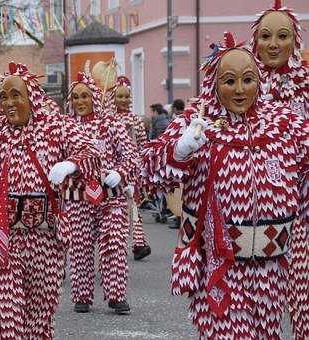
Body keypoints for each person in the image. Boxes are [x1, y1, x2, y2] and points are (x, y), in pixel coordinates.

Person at [141, 32, 309, 339]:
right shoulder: (197, 122)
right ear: (214, 84)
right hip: (220, 267)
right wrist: (180, 149)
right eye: (229, 81)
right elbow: (148, 172)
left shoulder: (286, 124)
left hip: (271, 269)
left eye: (248, 79)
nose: (240, 90)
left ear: (259, 81)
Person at [0, 62, 100, 339]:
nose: (8, 103)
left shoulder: (58, 127)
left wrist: (72, 164)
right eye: (4, 96)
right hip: (2, 238)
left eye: (15, 95)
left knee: (39, 320)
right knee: (5, 316)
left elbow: (91, 152)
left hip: (45, 240)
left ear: (31, 96)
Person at [251, 1, 309, 338]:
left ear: (295, 40)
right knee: (262, 296)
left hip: (301, 207)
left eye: (282, 36)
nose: (274, 44)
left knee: (303, 293)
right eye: (266, 36)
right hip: (257, 207)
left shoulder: (306, 83)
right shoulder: (244, 82)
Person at [64, 72, 136, 313]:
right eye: (76, 97)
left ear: (94, 97)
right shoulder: (66, 128)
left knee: (114, 242)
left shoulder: (111, 124)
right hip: (78, 196)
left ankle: (117, 295)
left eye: (85, 96)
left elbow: (131, 156)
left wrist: (121, 173)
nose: (80, 101)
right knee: (80, 247)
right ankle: (82, 296)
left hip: (110, 195)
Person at [105, 75, 151, 261]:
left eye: (126, 97)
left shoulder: (135, 120)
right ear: (113, 98)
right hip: (109, 169)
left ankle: (138, 243)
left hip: (130, 169)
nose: (124, 100)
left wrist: (142, 167)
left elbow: (142, 145)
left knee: (131, 203)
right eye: (120, 96)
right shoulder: (106, 120)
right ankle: (112, 241)